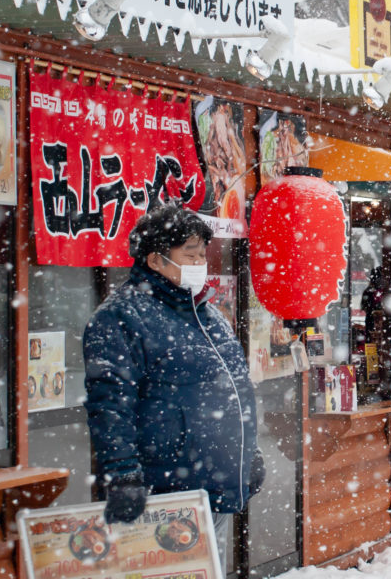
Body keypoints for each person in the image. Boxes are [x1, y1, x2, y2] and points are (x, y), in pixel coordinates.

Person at [83, 201, 264, 573]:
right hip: (165, 493)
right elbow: (110, 406)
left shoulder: (207, 313)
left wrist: (249, 452)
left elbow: (235, 390)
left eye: (203, 255)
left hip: (213, 486)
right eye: (190, 255)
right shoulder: (120, 317)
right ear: (155, 260)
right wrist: (124, 475)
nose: (200, 263)